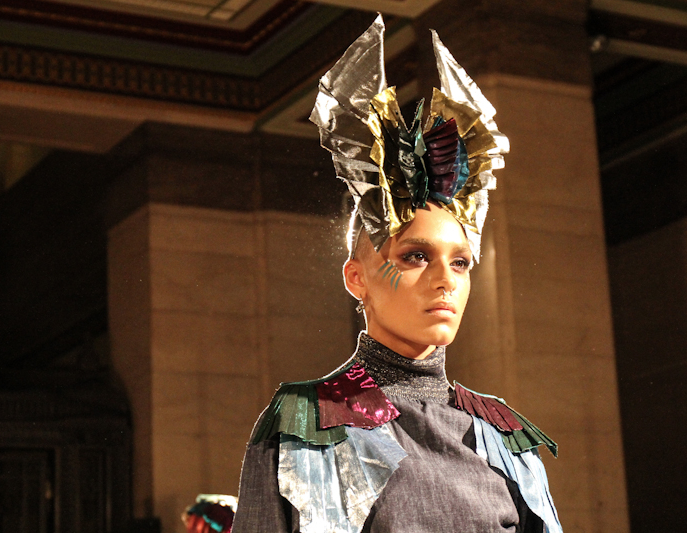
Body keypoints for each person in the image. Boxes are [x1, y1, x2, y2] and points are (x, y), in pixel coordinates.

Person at [232, 15, 562, 533]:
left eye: (460, 261)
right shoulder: (312, 419)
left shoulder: (500, 432)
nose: (445, 279)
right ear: (356, 278)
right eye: (415, 257)